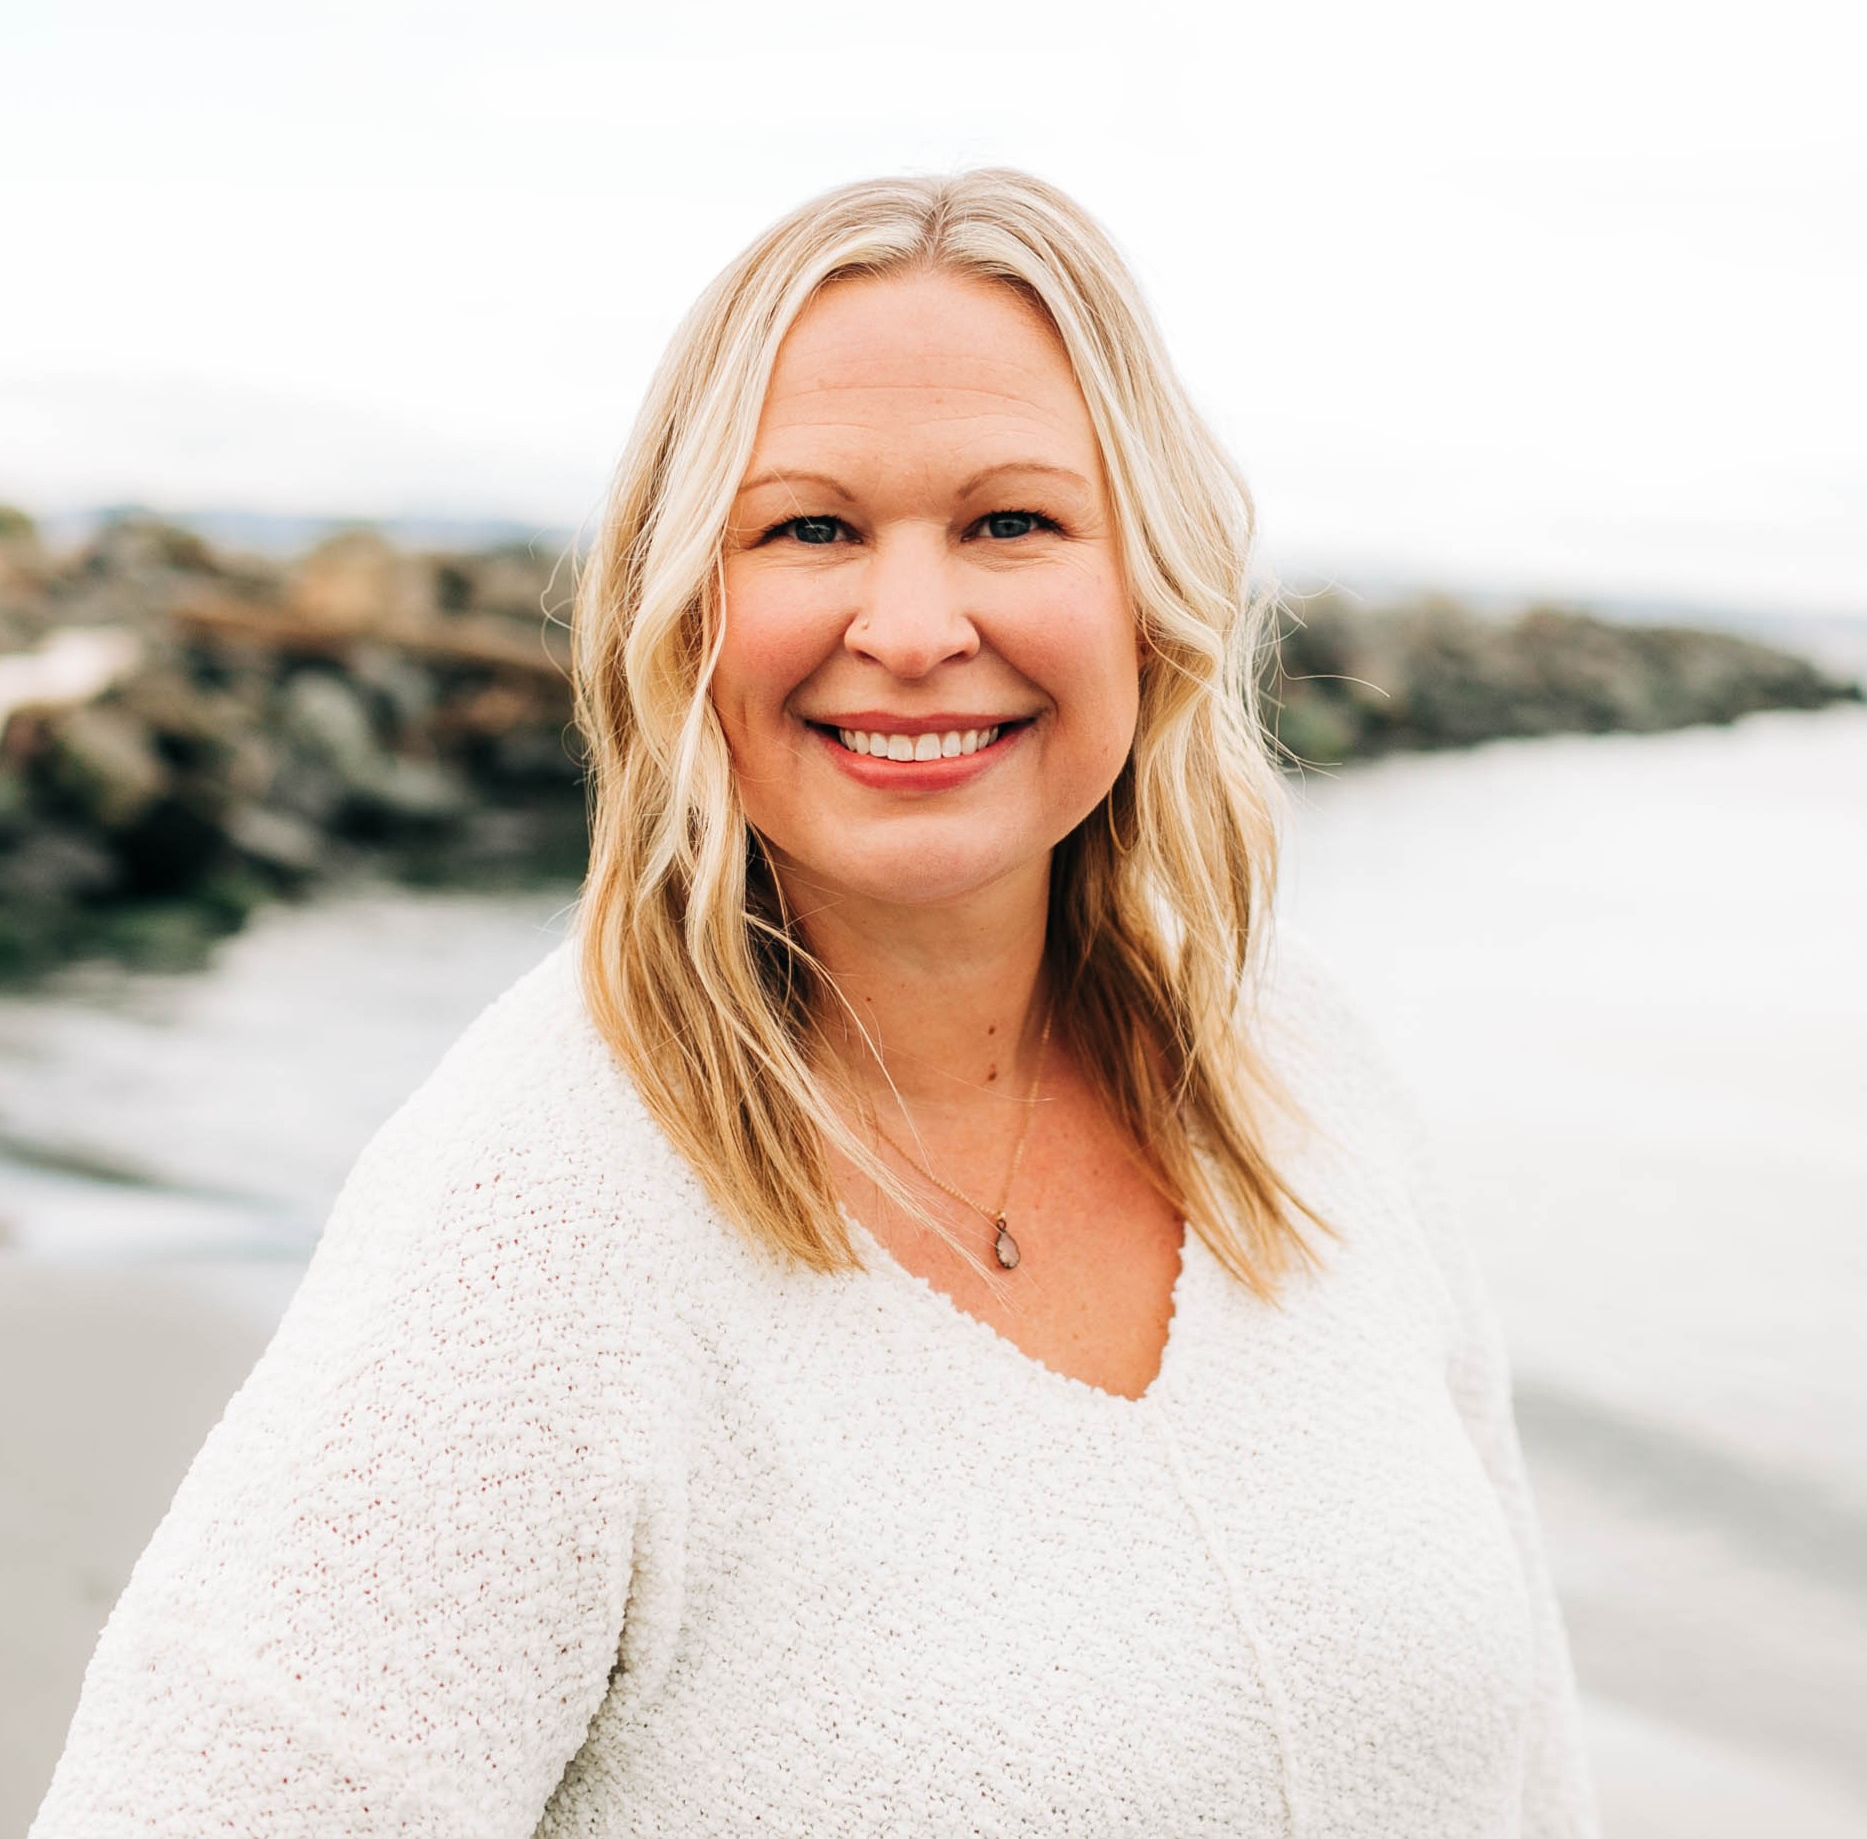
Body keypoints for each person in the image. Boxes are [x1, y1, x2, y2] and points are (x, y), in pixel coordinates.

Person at [31, 169, 1599, 1836]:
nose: (915, 630)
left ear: (1149, 588)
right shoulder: (536, 1216)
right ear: (687, 605)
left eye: (1012, 521)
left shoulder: (1304, 1080)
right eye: (811, 527)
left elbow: (1538, 1767)